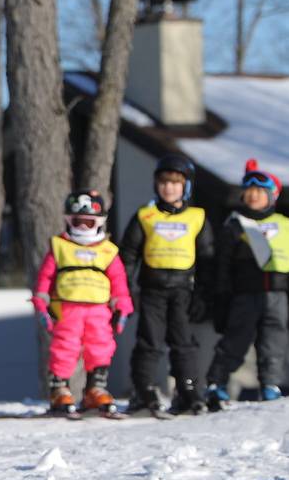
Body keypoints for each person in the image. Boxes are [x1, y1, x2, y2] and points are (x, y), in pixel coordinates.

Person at [119, 153, 214, 416]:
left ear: (186, 186)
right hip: (152, 289)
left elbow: (207, 259)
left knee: (184, 342)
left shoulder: (197, 217)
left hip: (184, 290)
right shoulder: (145, 216)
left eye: (175, 182)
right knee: (149, 341)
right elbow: (128, 255)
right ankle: (144, 390)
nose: (169, 188)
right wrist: (126, 289)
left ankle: (189, 390)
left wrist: (203, 295)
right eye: (163, 182)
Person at [31, 189, 134, 415]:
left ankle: (95, 389)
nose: (83, 228)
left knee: (101, 347)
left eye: (89, 223)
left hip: (100, 311)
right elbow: (45, 277)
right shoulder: (60, 246)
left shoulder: (108, 251)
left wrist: (123, 306)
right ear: (69, 220)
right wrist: (41, 301)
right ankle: (59, 388)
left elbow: (119, 282)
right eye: (79, 222)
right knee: (64, 347)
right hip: (67, 308)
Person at [205, 159, 289, 410]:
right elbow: (222, 263)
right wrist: (221, 295)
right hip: (245, 293)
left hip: (277, 294)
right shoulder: (235, 225)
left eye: (260, 192)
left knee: (273, 342)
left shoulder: (284, 224)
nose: (253, 196)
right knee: (235, 340)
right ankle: (216, 383)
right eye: (249, 191)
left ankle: (270, 385)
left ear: (272, 196)